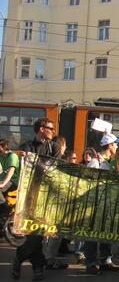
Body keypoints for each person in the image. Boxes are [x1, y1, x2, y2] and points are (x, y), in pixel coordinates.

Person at [12, 118, 61, 281]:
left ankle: (20, 258)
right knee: (34, 232)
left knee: (39, 233)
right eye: (51, 128)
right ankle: (36, 268)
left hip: (47, 197)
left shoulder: (53, 146)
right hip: (30, 197)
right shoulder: (28, 146)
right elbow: (25, 163)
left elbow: (55, 166)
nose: (53, 132)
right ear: (41, 129)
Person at [82, 133, 119, 275]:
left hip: (107, 203)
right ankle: (90, 263)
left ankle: (106, 260)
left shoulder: (110, 162)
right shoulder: (95, 162)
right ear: (110, 145)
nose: (117, 146)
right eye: (115, 144)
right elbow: (87, 182)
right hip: (95, 205)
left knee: (106, 232)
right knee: (92, 234)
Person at [0, 139, 20, 205]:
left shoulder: (12, 156)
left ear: (5, 146)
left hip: (12, 181)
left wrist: (3, 184)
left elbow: (10, 172)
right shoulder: (1, 156)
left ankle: (6, 207)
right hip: (2, 180)